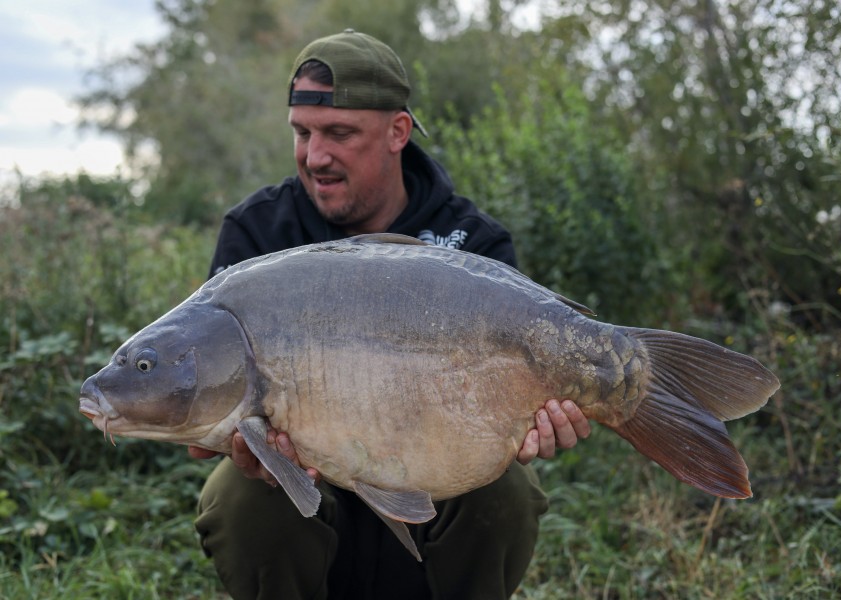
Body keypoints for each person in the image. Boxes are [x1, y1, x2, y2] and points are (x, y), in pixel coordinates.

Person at [190, 29, 590, 600]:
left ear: (397, 131)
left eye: (339, 133)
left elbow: (519, 408)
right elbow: (201, 431)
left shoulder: (473, 242)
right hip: (311, 497)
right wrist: (250, 452)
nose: (315, 155)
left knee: (509, 492)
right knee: (237, 496)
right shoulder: (257, 233)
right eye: (301, 133)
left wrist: (539, 419)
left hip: (434, 484)